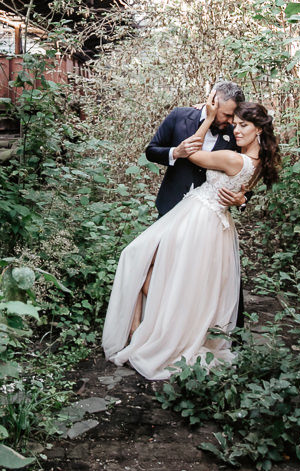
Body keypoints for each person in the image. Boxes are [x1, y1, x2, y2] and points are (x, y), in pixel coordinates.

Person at [102, 97, 280, 381]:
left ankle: (159, 333)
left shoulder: (234, 153)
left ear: (258, 128)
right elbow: (154, 151)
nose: (234, 129)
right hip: (194, 215)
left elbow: (196, 155)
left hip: (200, 220)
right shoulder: (256, 158)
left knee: (164, 272)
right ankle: (143, 329)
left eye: (241, 124)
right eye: (232, 122)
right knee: (171, 274)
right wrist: (239, 195)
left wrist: (207, 122)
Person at [145, 81, 248, 218]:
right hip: (170, 207)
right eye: (227, 115)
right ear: (212, 102)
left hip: (209, 217)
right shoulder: (179, 116)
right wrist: (175, 152)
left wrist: (243, 200)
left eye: (233, 116)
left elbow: (247, 169)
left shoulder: (235, 133)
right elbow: (151, 151)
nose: (230, 121)